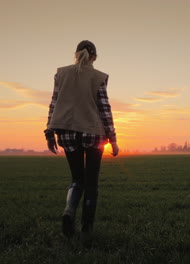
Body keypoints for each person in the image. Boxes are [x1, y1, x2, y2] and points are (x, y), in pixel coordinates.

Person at [44, 40, 119, 243]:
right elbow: (104, 108)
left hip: (66, 132)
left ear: (75, 54)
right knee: (91, 183)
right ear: (94, 57)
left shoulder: (61, 74)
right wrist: (113, 139)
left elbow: (54, 103)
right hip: (93, 133)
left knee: (77, 179)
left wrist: (50, 132)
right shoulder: (98, 77)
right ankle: (86, 230)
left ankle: (69, 210)